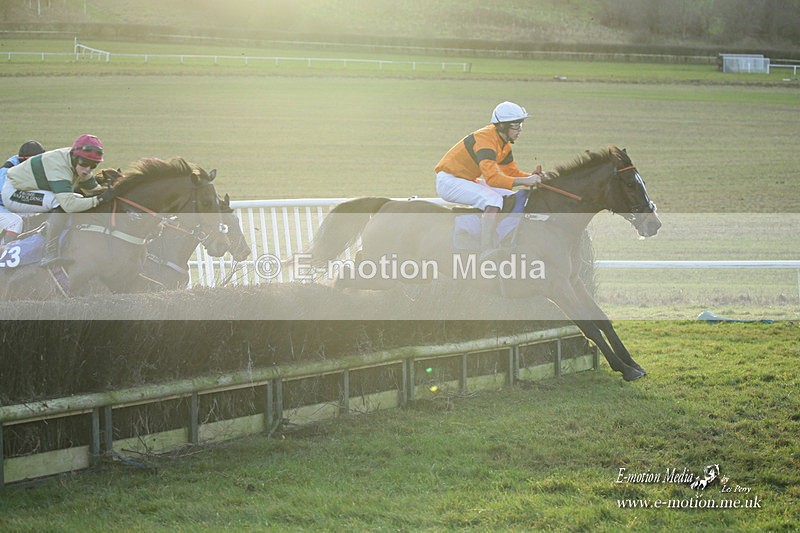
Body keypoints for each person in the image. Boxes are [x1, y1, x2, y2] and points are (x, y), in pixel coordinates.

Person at [434, 101, 544, 255]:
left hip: (465, 179)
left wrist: (534, 178)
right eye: (515, 126)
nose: (519, 130)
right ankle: (486, 249)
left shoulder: (503, 143)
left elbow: (512, 173)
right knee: (494, 200)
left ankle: (502, 236)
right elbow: (492, 179)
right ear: (502, 126)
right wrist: (526, 181)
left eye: (521, 125)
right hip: (450, 182)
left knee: (511, 196)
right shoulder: (486, 140)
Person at [3, 134, 116, 266]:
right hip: (14, 192)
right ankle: (49, 252)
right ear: (74, 157)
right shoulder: (59, 166)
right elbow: (69, 205)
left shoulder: (76, 161)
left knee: (79, 199)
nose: (87, 170)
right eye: (84, 164)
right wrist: (99, 199)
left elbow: (94, 189)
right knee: (62, 203)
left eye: (93, 166)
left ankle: (52, 233)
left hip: (28, 187)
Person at [0, 140, 46, 243]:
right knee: (15, 223)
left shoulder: (21, 162)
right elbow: (9, 198)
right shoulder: (5, 172)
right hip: (2, 205)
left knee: (30, 217)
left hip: (5, 205)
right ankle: (5, 252)